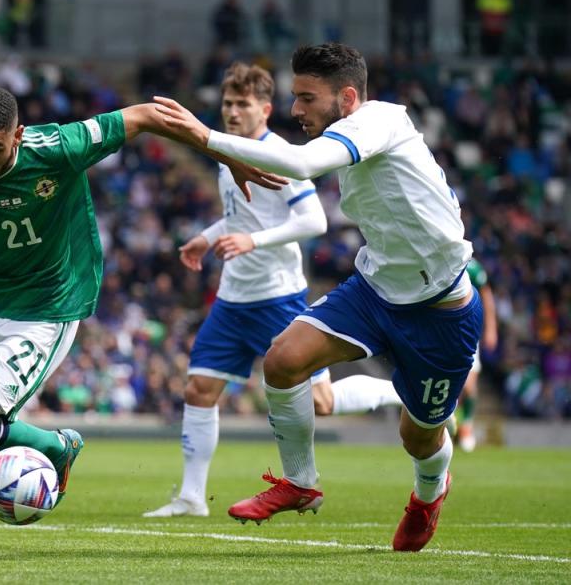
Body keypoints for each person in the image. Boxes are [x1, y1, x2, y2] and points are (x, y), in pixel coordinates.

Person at [0, 85, 281, 548]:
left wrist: (224, 154)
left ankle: (58, 447)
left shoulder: (60, 146)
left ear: (18, 136)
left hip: (49, 305)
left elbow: (145, 114)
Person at [153, 43, 482, 552]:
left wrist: (203, 135)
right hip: (375, 290)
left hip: (441, 308)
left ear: (347, 97)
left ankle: (429, 493)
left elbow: (302, 168)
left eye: (306, 98)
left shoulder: (379, 123)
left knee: (418, 438)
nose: (295, 110)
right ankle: (301, 483)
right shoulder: (347, 130)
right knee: (283, 361)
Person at [142, 62, 401, 519]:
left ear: (264, 108)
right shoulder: (233, 155)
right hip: (232, 299)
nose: (232, 112)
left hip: (277, 297)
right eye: (226, 104)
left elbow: (312, 221)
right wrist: (209, 234)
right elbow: (244, 217)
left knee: (319, 403)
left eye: (242, 104)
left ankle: (397, 391)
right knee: (199, 390)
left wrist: (251, 241)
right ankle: (191, 496)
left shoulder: (277, 154)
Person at [454, 257, 498, 452]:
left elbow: (486, 294)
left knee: (469, 386)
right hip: (441, 333)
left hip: (466, 333)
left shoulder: (470, 266)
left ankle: (466, 427)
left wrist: (491, 329)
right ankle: (451, 427)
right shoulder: (435, 260)